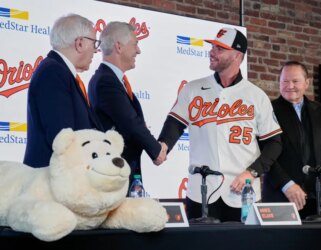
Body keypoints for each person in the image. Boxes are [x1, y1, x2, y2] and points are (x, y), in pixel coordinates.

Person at [158, 27, 282, 222]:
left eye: (220, 48)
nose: (212, 52)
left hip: (242, 191)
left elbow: (274, 143)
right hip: (201, 191)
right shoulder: (193, 89)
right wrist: (163, 146)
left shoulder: (256, 96)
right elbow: (175, 123)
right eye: (213, 46)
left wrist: (252, 172)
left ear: (237, 55)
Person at [88, 21, 167, 185]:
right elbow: (129, 121)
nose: (138, 50)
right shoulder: (106, 81)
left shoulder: (114, 81)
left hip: (123, 171)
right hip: (114, 174)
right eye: (135, 44)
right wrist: (156, 149)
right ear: (119, 46)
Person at [262, 61, 321, 219]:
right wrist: (287, 185)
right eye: (285, 81)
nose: (289, 85)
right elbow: (264, 153)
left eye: (295, 81)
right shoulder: (267, 110)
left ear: (307, 83)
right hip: (281, 197)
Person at [24, 13, 103, 168]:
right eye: (95, 43)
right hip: (51, 181)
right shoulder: (53, 72)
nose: (96, 50)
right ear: (80, 43)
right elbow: (61, 136)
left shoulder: (58, 71)